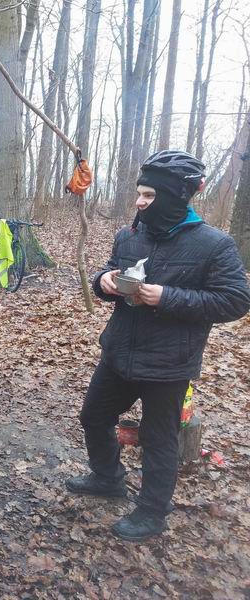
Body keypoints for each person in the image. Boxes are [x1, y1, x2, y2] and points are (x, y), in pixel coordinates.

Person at [66, 150, 250, 541]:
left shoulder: (213, 244)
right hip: (119, 352)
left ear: (173, 196)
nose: (139, 202)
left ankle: (152, 512)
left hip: (169, 362)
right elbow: (108, 274)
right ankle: (108, 478)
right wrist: (104, 283)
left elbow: (235, 301)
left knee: (158, 438)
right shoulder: (131, 235)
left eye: (148, 195)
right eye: (139, 194)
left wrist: (166, 297)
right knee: (94, 416)